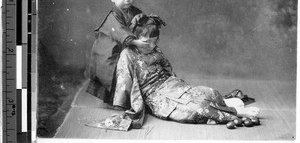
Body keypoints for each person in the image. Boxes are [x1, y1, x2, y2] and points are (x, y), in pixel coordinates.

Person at [86, 15, 259, 131]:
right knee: (194, 109)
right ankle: (235, 113)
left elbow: (167, 68)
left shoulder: (155, 50)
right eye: (146, 42)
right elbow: (124, 82)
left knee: (208, 92)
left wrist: (176, 84)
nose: (151, 46)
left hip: (169, 84)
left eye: (155, 42)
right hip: (153, 95)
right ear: (137, 39)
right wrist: (128, 104)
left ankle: (223, 102)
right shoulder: (128, 55)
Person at [86, 0, 149, 105]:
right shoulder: (113, 16)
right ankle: (117, 102)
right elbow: (120, 32)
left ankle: (132, 97)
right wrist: (136, 42)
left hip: (124, 46)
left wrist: (146, 24)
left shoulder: (135, 11)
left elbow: (143, 24)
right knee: (112, 72)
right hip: (109, 49)